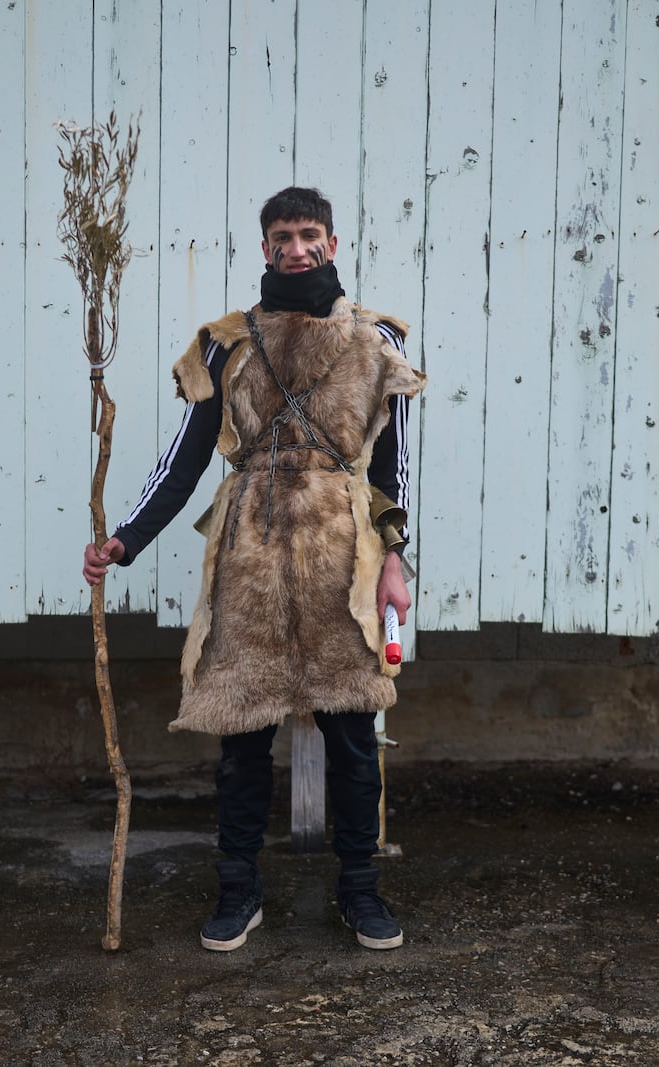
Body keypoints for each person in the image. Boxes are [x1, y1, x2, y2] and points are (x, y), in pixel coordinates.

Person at [82, 186, 425, 952]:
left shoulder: (379, 340)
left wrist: (395, 561)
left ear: (331, 243)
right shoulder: (226, 344)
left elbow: (392, 470)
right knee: (239, 733)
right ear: (264, 246)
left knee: (352, 732)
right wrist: (124, 541)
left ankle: (361, 891)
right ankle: (237, 890)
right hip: (250, 555)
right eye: (281, 236)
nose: (296, 248)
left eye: (309, 235)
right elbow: (182, 463)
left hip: (343, 553)